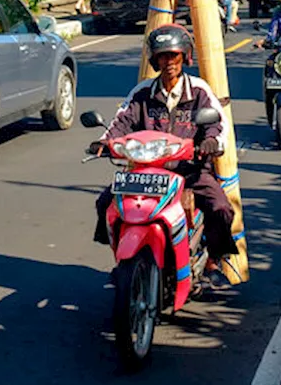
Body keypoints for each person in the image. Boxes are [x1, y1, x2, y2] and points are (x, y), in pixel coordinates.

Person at [91, 25, 236, 278]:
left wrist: (211, 142)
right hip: (145, 172)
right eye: (163, 56)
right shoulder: (143, 93)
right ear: (155, 59)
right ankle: (122, 256)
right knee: (105, 202)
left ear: (184, 56)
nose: (169, 62)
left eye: (174, 55)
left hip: (189, 171)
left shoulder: (199, 90)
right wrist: (105, 142)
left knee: (220, 208)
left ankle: (215, 257)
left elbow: (217, 124)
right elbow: (121, 121)